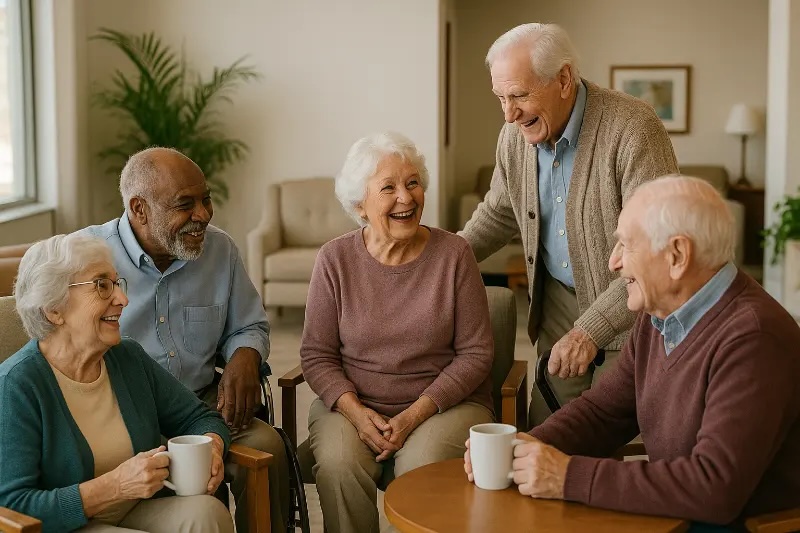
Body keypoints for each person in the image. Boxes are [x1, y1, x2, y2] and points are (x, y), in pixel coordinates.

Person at [464, 176, 800, 528]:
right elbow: (603, 413)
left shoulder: (754, 338)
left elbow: (714, 488)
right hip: (677, 516)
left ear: (677, 255)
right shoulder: (660, 316)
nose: (614, 262)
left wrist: (566, 476)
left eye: (626, 245)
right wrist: (522, 446)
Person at [458, 22, 679, 426]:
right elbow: (501, 211)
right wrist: (440, 259)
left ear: (563, 79)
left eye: (519, 95)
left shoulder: (633, 127)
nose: (508, 113)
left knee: (600, 429)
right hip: (558, 300)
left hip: (632, 305)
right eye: (501, 98)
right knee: (547, 428)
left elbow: (655, 248)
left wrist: (590, 330)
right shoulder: (514, 135)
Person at [79, 147, 288, 532]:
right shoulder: (85, 258)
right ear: (139, 209)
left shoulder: (220, 250)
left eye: (206, 199)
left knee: (268, 447)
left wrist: (245, 356)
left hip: (204, 403)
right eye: (185, 204)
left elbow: (249, 325)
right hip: (122, 415)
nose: (203, 214)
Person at [301, 132, 495, 533]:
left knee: (420, 467)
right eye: (388, 188)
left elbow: (476, 353)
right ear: (360, 204)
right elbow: (317, 355)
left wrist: (412, 416)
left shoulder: (455, 254)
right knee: (339, 463)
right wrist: (355, 412)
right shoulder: (334, 260)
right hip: (353, 405)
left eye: (412, 183)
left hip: (443, 406)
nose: (406, 198)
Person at [0, 234, 233, 533]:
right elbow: (13, 507)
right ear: (54, 309)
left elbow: (199, 418)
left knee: (207, 514)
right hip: (67, 527)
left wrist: (212, 446)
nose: (123, 299)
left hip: (137, 508)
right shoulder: (16, 386)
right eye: (101, 285)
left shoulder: (127, 357)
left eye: (116, 283)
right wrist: (114, 486)